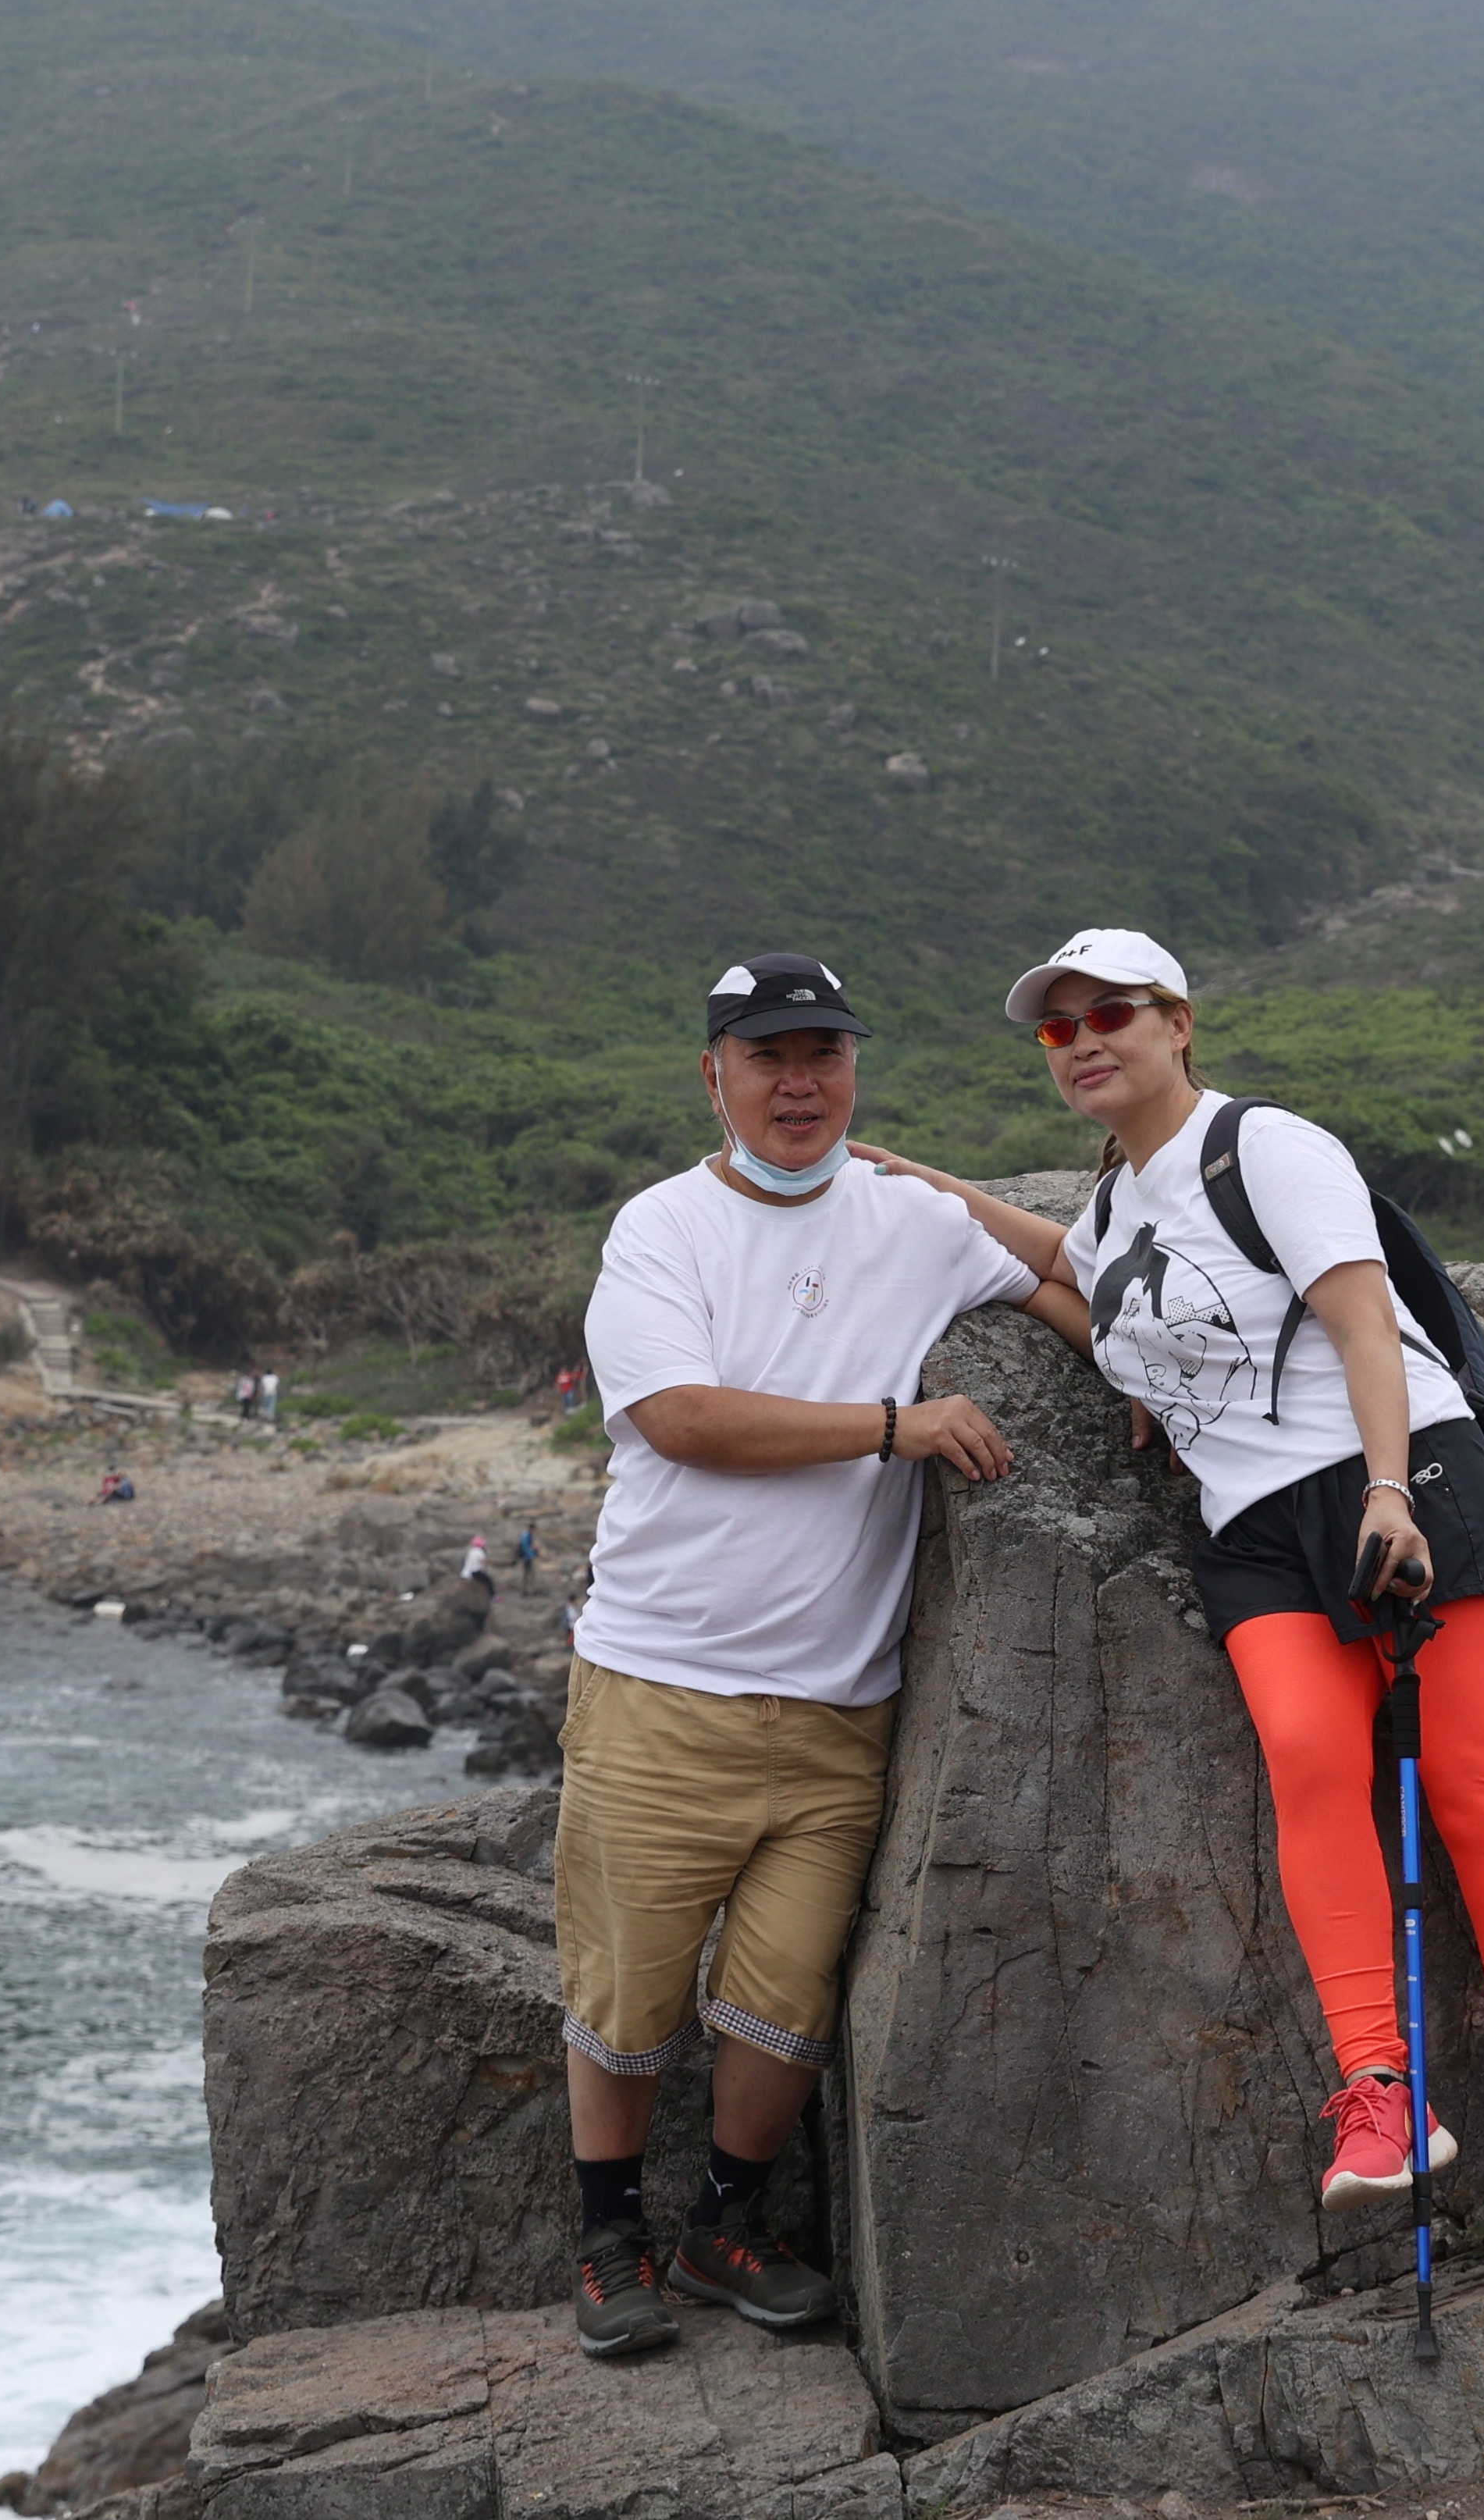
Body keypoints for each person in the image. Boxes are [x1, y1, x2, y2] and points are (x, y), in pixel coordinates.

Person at [867, 926, 1484, 2279]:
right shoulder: (1115, 1209)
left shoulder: (1266, 1147)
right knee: (1313, 1770)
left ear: (1178, 1023)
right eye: (1058, 1028)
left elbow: (1361, 1314)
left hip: (1408, 1481)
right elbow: (1073, 1280)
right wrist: (920, 1187)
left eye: (1113, 1014)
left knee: (1473, 1790)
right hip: (1253, 1528)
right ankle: (1382, 2096)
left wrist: (1390, 1490)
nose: (1086, 1039)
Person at [557, 950, 1083, 2362]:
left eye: (825, 1055)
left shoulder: (908, 1220)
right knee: (628, 1993)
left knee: (784, 2005)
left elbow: (1080, 1288)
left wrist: (954, 1197)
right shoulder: (659, 1229)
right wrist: (890, 1424)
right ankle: (608, 2241)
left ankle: (726, 2228)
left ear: (856, 1069)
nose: (800, 1083)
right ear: (714, 1074)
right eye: (769, 1056)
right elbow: (680, 1415)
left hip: (843, 1707)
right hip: (663, 1684)